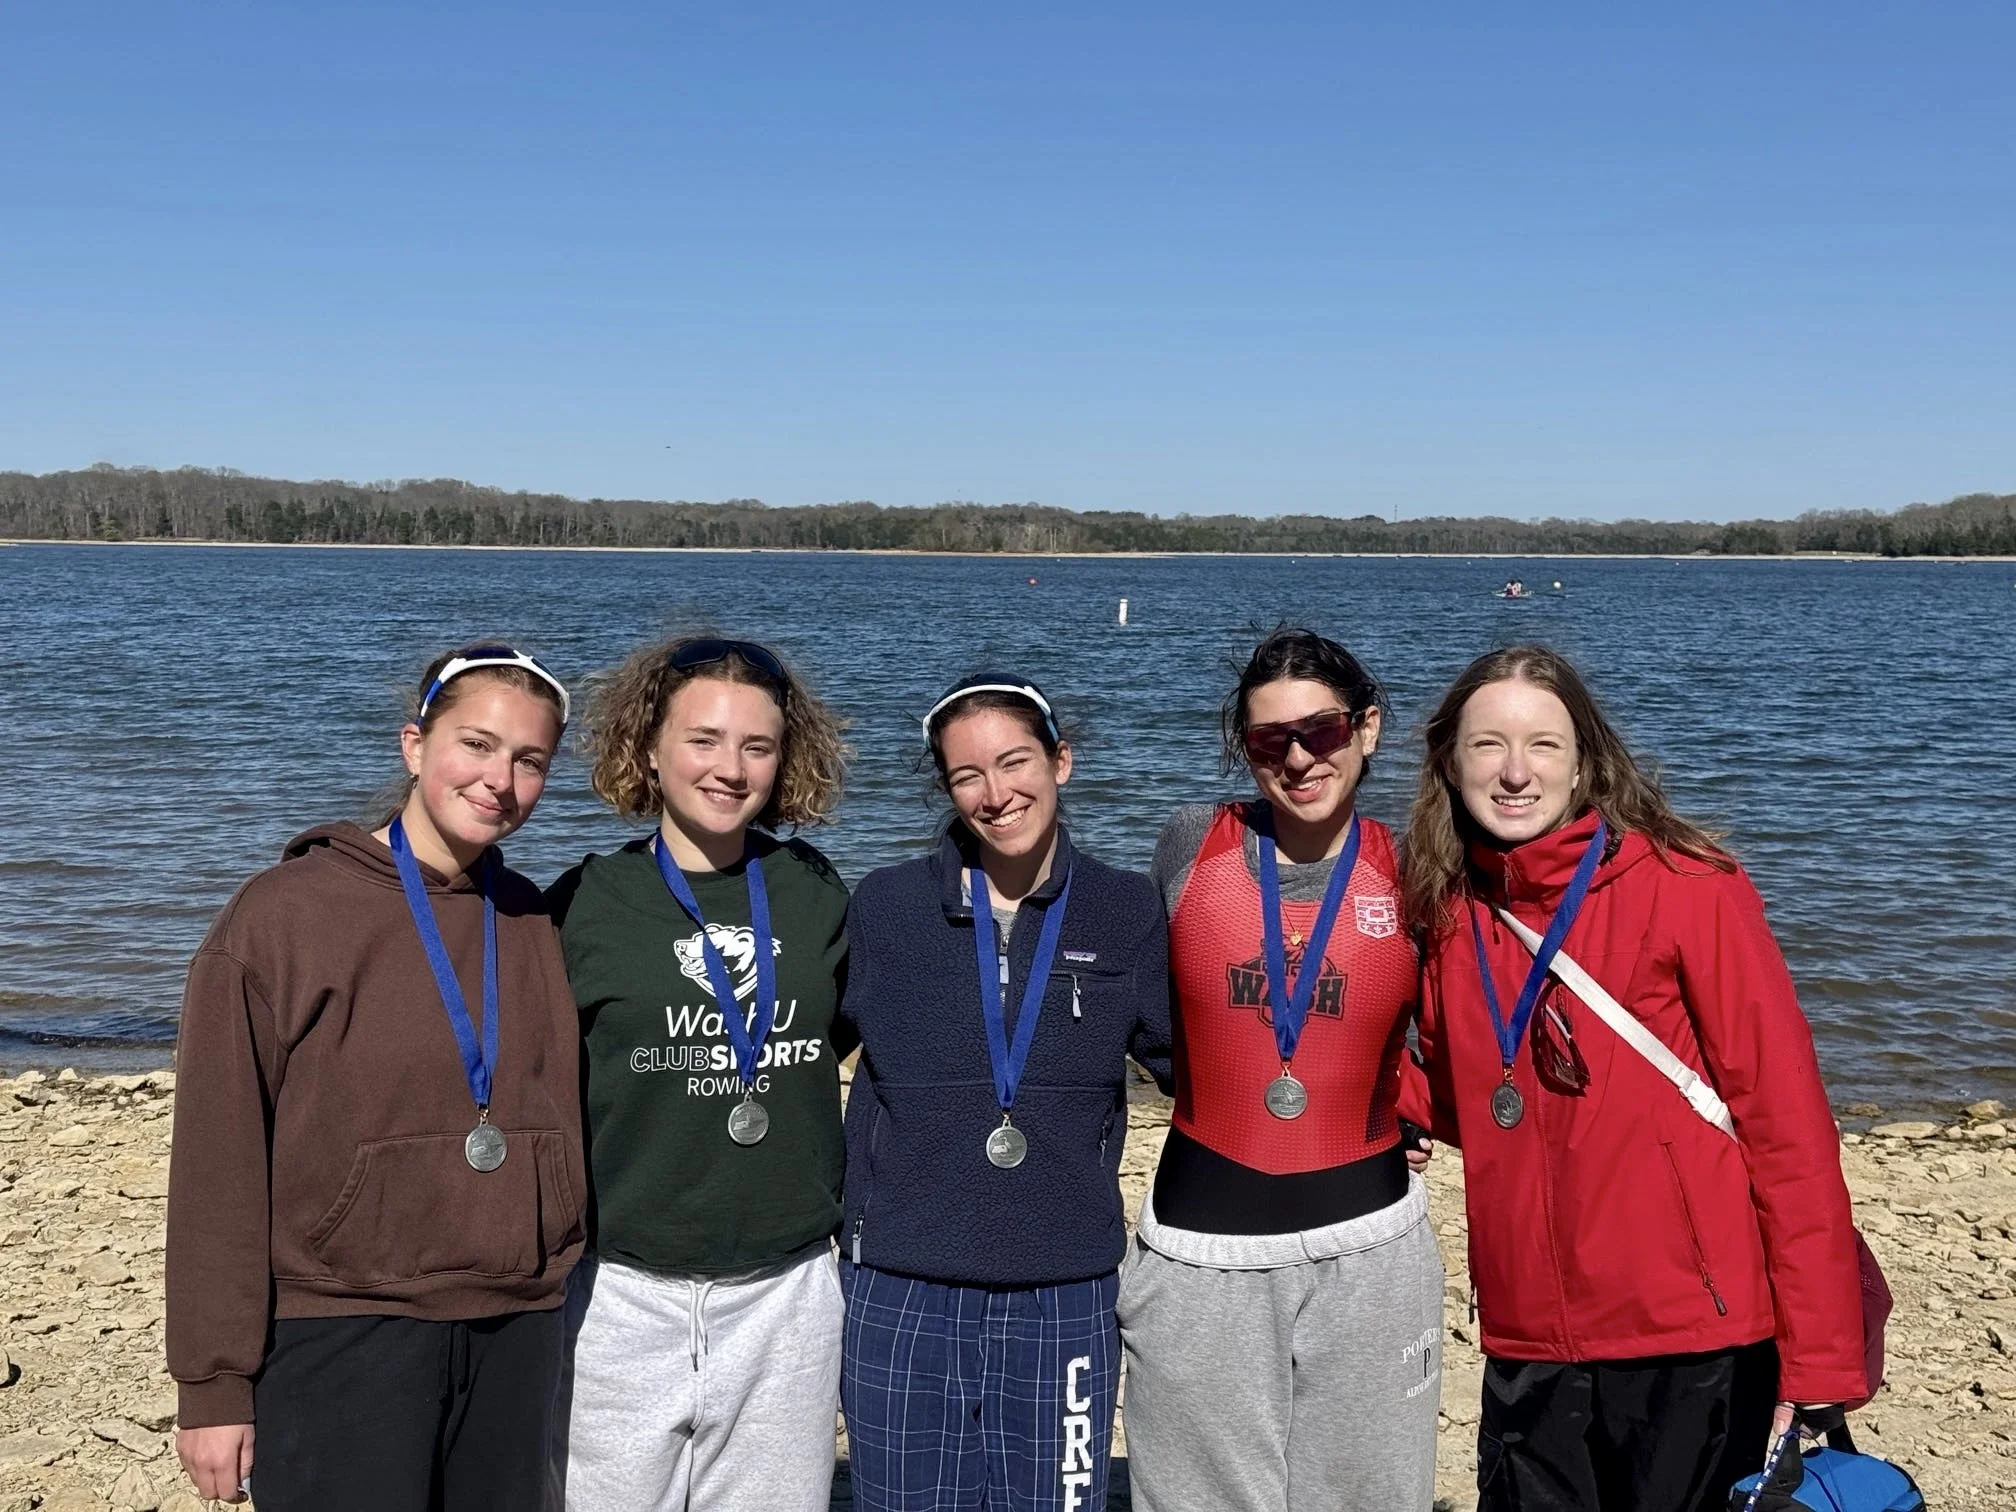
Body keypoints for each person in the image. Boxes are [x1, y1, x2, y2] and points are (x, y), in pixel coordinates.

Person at [1403, 644, 1867, 1512]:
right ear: (1447, 761)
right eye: (1486, 746)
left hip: (1693, 1340)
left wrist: (1824, 1357)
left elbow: (1789, 1129)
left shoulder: (1690, 885)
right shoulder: (1450, 909)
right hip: (1528, 1334)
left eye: (1542, 745)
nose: (1513, 773)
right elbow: (1478, 1103)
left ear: (1585, 760)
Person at [167, 643, 587, 1511]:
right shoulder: (283, 916)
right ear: (413, 745)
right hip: (344, 1324)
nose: (499, 779)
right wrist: (214, 1385)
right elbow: (218, 1162)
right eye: (476, 745)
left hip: (518, 1323)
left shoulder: (531, 921)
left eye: (529, 760)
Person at [1119, 627, 1443, 1512]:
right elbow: (1144, 1010)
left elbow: (1456, 1041)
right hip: (1198, 1247)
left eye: (1324, 732)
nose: (1299, 758)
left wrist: (1406, 1103)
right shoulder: (1191, 843)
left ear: (1367, 729)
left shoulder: (1415, 868)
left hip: (1370, 1245)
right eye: (1270, 741)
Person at [838, 673, 1171, 1512]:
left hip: (1066, 1286)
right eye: (966, 776)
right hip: (902, 1281)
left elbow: (1196, 1070)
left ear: (1061, 759)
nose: (996, 794)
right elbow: (799, 1054)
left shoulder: (1126, 909)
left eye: (1015, 761)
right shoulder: (887, 907)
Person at [547, 635, 852, 1512]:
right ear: (649, 747)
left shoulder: (814, 892)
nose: (731, 768)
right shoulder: (584, 903)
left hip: (785, 1292)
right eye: (704, 740)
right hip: (621, 1290)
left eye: (757, 746)